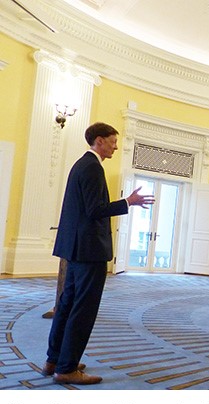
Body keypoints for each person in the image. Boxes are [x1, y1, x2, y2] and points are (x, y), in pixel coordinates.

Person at [43, 122, 155, 385]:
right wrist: (128, 202)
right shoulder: (93, 167)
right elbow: (95, 210)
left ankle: (54, 359)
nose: (116, 146)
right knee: (83, 309)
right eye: (113, 141)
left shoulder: (81, 164)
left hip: (76, 249)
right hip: (90, 250)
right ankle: (67, 368)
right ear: (100, 141)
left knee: (67, 305)